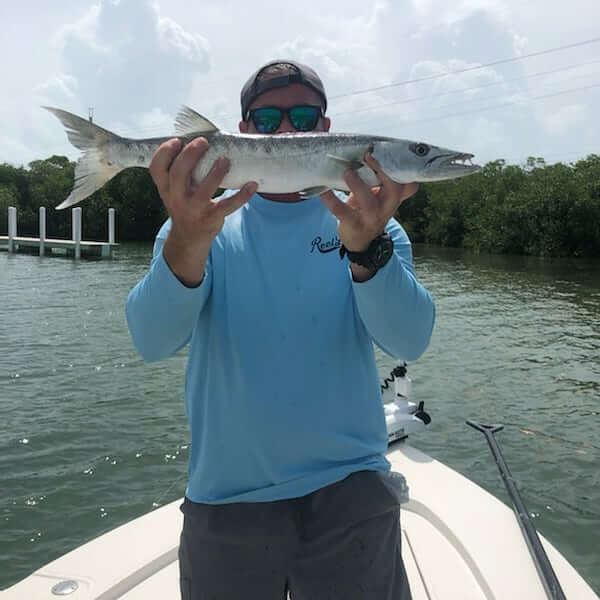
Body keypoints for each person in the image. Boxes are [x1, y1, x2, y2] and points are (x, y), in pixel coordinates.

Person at [126, 59, 435, 600]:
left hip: (352, 491)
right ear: (242, 131)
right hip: (226, 496)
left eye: (303, 116)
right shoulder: (196, 222)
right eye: (268, 119)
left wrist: (366, 251)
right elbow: (151, 341)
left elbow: (410, 340)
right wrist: (187, 241)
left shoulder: (375, 224)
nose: (287, 130)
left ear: (327, 127)